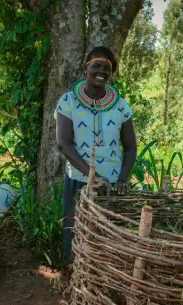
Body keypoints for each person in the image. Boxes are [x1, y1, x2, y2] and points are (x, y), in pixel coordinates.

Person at [56, 46, 137, 261]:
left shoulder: (121, 106)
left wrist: (121, 178)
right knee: (77, 236)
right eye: (96, 66)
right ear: (86, 69)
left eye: (106, 68)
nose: (101, 72)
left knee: (107, 242)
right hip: (79, 180)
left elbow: (130, 147)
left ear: (112, 73)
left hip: (111, 185)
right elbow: (63, 143)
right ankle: (72, 283)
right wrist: (93, 176)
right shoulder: (69, 101)